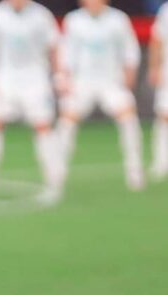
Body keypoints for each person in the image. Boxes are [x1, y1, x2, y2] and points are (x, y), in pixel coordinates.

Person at [56, 0, 145, 191]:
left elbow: (130, 52)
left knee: (128, 118)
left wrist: (129, 76)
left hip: (111, 81)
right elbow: (66, 54)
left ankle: (135, 171)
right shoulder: (73, 21)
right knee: (66, 122)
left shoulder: (118, 19)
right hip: (81, 83)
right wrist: (65, 79)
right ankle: (57, 173)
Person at [0, 0, 65, 202]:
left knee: (43, 127)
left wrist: (58, 75)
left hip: (35, 81)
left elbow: (54, 47)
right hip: (4, 79)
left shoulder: (42, 15)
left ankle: (54, 181)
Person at [148, 1, 168, 181]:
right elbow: (157, 40)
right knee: (164, 115)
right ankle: (161, 162)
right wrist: (154, 67)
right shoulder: (165, 10)